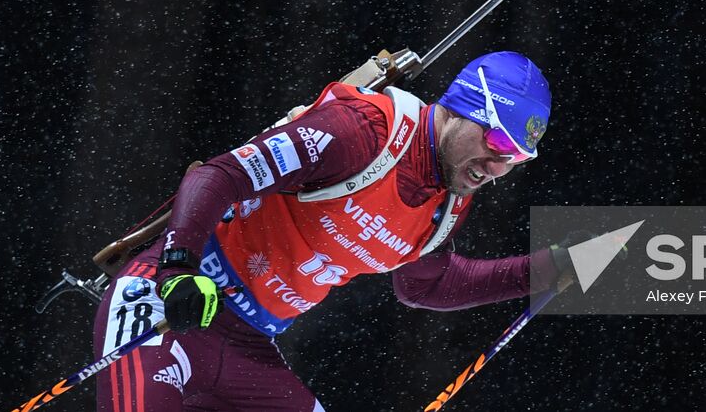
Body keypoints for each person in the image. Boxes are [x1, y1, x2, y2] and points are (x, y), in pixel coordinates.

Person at [93, 51, 570, 411]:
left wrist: (556, 268)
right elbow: (218, 176)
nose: (497, 166)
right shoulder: (363, 131)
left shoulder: (447, 205)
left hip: (247, 345)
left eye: (516, 157)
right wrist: (179, 269)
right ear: (460, 108)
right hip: (167, 304)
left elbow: (428, 285)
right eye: (497, 140)